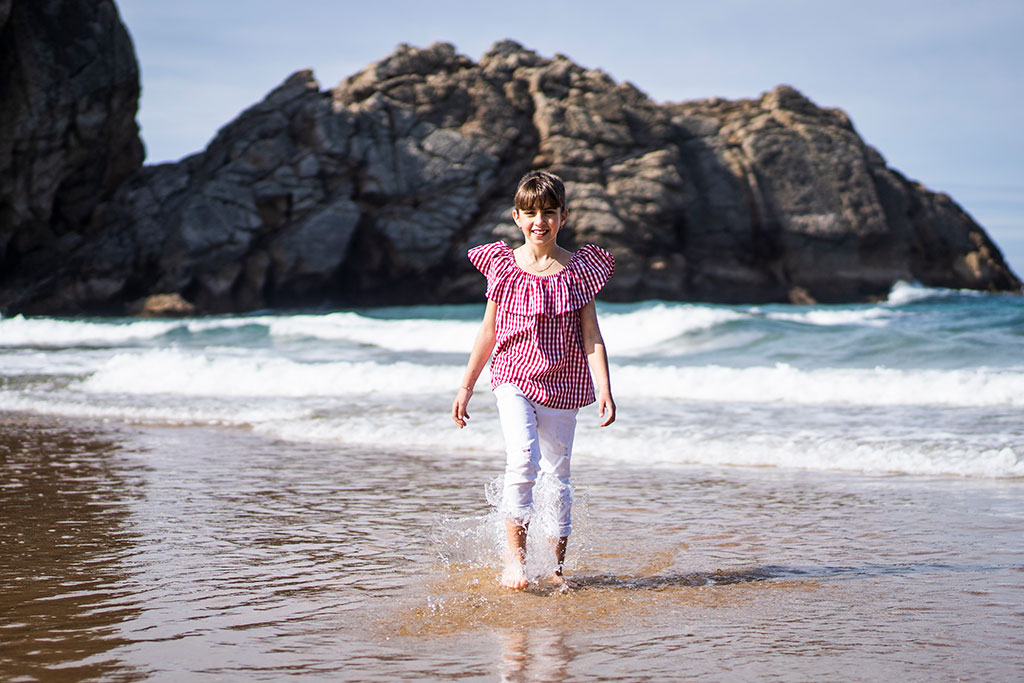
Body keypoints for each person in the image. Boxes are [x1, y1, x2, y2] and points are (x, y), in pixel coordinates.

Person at [451, 170, 616, 590]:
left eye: (548, 213)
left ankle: (556, 568)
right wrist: (467, 385)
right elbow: (488, 331)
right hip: (512, 376)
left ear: (563, 215)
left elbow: (591, 336)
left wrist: (604, 389)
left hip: (564, 383)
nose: (539, 221)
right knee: (523, 458)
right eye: (530, 214)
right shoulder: (502, 267)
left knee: (558, 475)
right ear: (517, 217)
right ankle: (515, 563)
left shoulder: (580, 271)